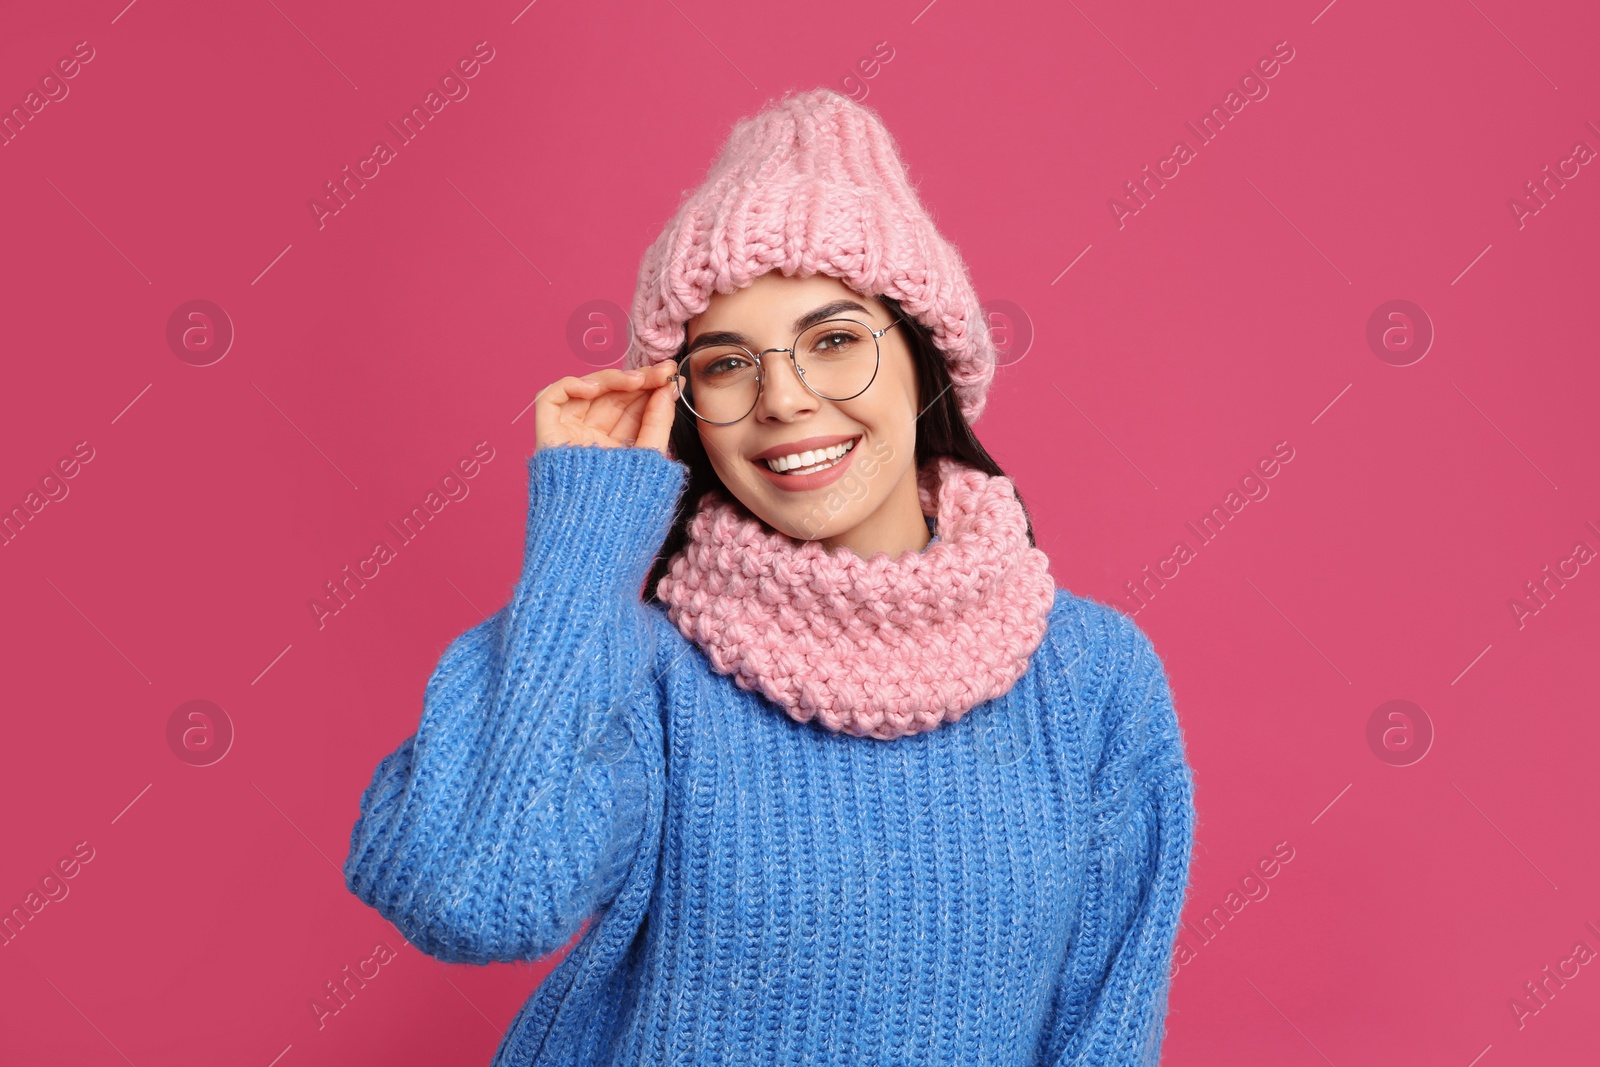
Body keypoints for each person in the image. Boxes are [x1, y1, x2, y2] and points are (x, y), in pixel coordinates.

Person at [343, 87, 1196, 1067]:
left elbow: (1104, 1031)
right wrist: (582, 545)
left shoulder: (1093, 680)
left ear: (922, 364)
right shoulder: (644, 670)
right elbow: (471, 896)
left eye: (834, 339)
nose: (783, 398)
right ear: (685, 406)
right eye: (725, 363)